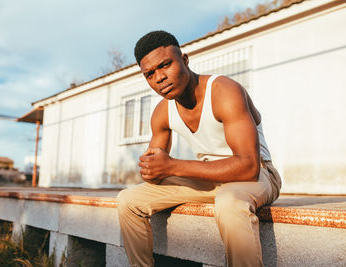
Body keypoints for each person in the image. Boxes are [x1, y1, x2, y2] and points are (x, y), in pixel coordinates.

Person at [117, 30, 281, 267]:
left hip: (260, 174)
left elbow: (248, 166)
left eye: (165, 65)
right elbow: (155, 173)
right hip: (208, 177)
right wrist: (152, 170)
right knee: (128, 200)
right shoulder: (162, 112)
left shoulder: (224, 91)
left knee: (229, 200)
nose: (159, 78)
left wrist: (172, 166)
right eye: (150, 74)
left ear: (184, 60)